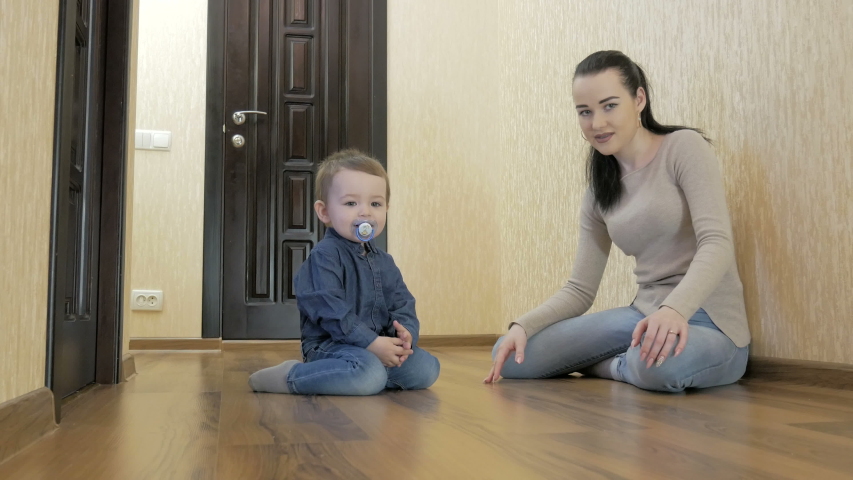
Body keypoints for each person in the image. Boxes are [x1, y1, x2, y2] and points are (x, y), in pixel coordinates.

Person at [484, 50, 750, 392]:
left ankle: (613, 365)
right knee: (513, 355)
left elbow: (717, 242)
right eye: (585, 112)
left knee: (655, 366)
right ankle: (627, 360)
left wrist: (674, 310)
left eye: (609, 105)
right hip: (641, 317)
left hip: (710, 322)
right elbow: (580, 289)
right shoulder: (599, 191)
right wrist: (523, 326)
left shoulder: (683, 148)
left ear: (639, 98)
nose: (597, 123)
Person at [249, 149, 440, 395]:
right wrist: (370, 343)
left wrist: (405, 335)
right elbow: (330, 311)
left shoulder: (385, 262)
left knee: (427, 368)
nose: (365, 212)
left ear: (386, 208)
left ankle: (365, 375)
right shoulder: (324, 257)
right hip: (331, 346)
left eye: (375, 203)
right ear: (324, 211)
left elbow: (403, 302)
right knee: (368, 373)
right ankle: (292, 377)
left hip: (376, 346)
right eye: (351, 203)